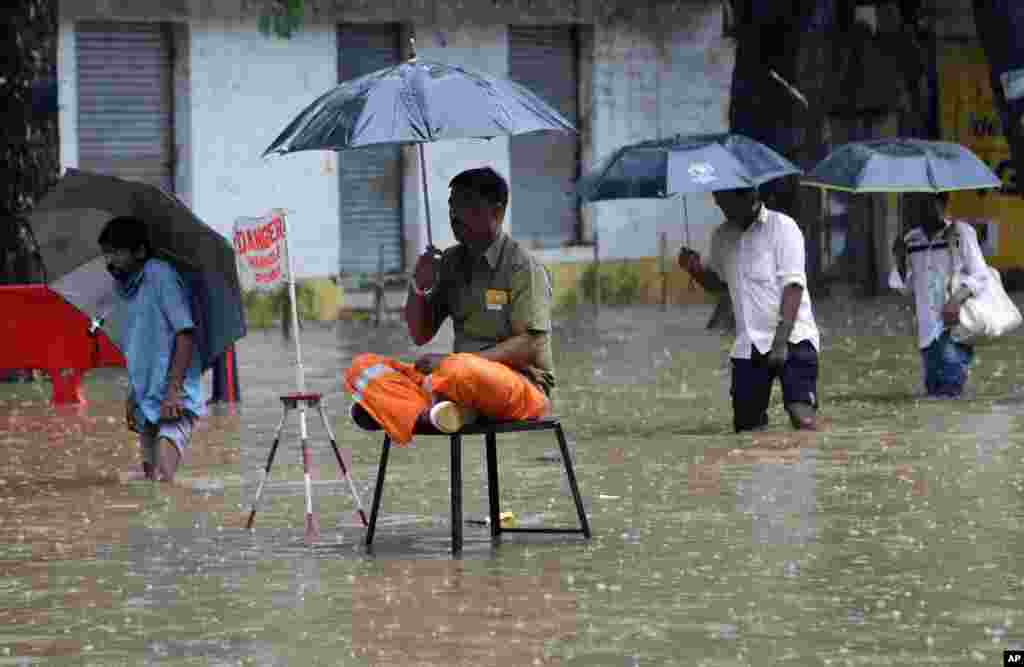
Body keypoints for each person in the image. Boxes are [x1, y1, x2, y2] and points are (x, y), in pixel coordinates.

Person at [345, 167, 553, 445]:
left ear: (498, 211)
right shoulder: (451, 262)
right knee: (362, 367)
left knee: (459, 370)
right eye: (452, 207)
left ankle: (404, 409)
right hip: (456, 383)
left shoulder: (522, 267)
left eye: (467, 205)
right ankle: (443, 412)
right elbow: (421, 334)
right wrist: (419, 286)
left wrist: (450, 362)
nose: (455, 216)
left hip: (520, 386)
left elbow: (529, 346)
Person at [678, 187, 821, 432]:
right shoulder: (721, 237)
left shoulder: (783, 228)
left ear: (749, 196)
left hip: (793, 337)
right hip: (749, 345)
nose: (719, 206)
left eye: (724, 201)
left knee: (801, 417)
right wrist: (696, 270)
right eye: (717, 200)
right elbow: (720, 284)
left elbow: (793, 286)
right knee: (747, 430)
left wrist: (780, 342)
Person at [99, 216, 204, 482]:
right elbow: (137, 345)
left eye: (117, 252)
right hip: (146, 399)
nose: (110, 261)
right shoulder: (122, 288)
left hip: (173, 398)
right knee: (150, 487)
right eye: (107, 253)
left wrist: (174, 388)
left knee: (163, 482)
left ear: (140, 251)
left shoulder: (160, 274)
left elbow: (185, 332)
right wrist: (133, 394)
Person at [890, 192, 990, 398]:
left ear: (942, 204)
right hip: (927, 335)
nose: (919, 209)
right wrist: (900, 259)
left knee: (950, 396)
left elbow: (981, 275)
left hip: (956, 330)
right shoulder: (910, 241)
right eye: (915, 203)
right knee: (935, 399)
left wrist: (955, 300)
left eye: (926, 203)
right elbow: (906, 287)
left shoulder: (961, 233)